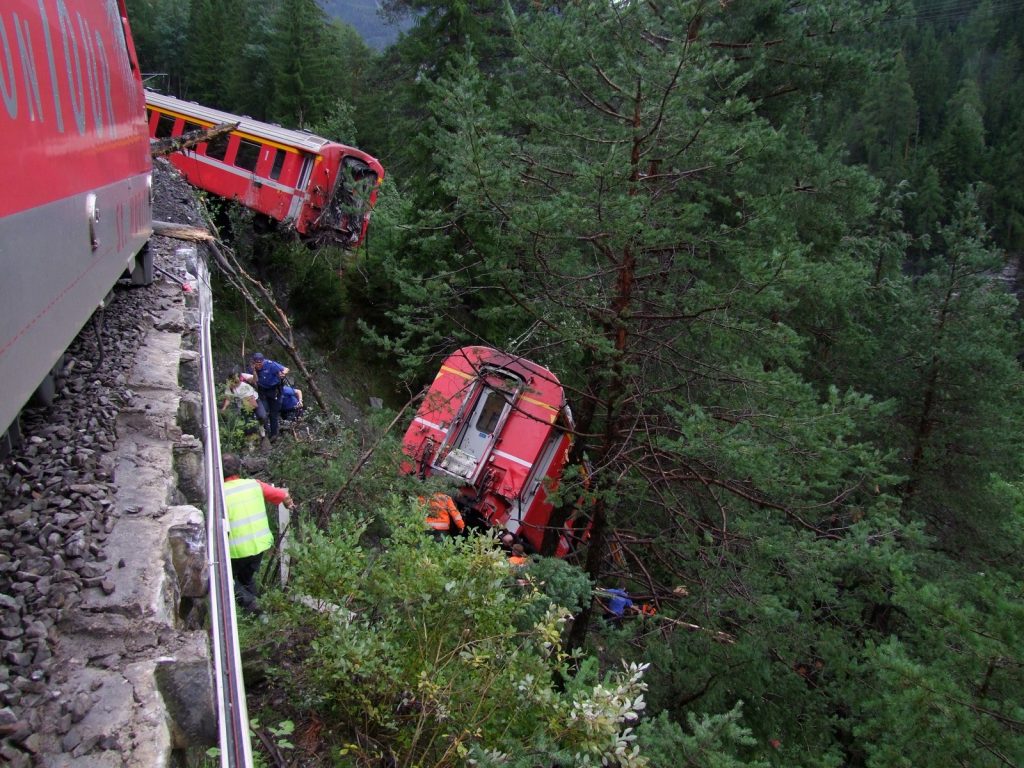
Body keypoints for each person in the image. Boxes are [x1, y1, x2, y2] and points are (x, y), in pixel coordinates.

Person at [221, 453, 294, 613]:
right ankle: (259, 614)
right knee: (246, 579)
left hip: (235, 550)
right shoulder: (254, 485)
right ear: (239, 468)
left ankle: (251, 604)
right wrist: (289, 505)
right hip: (260, 546)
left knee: (225, 581)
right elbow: (283, 495)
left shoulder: (219, 494)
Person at [249, 352, 289, 440]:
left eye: (260, 364)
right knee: (264, 412)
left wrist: (283, 374)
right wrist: (254, 371)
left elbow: (286, 369)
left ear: (263, 361)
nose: (259, 365)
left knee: (273, 414)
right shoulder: (252, 368)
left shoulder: (271, 365)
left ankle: (274, 434)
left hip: (275, 391)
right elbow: (254, 381)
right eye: (257, 364)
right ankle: (265, 432)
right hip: (263, 392)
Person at [220, 370, 267, 436]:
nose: (234, 382)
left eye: (236, 379)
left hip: (255, 401)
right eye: (233, 380)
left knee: (262, 416)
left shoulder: (245, 383)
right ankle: (251, 440)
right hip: (243, 406)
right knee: (248, 424)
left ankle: (261, 426)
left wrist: (254, 372)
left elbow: (254, 380)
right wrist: (224, 408)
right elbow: (228, 398)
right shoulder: (230, 387)